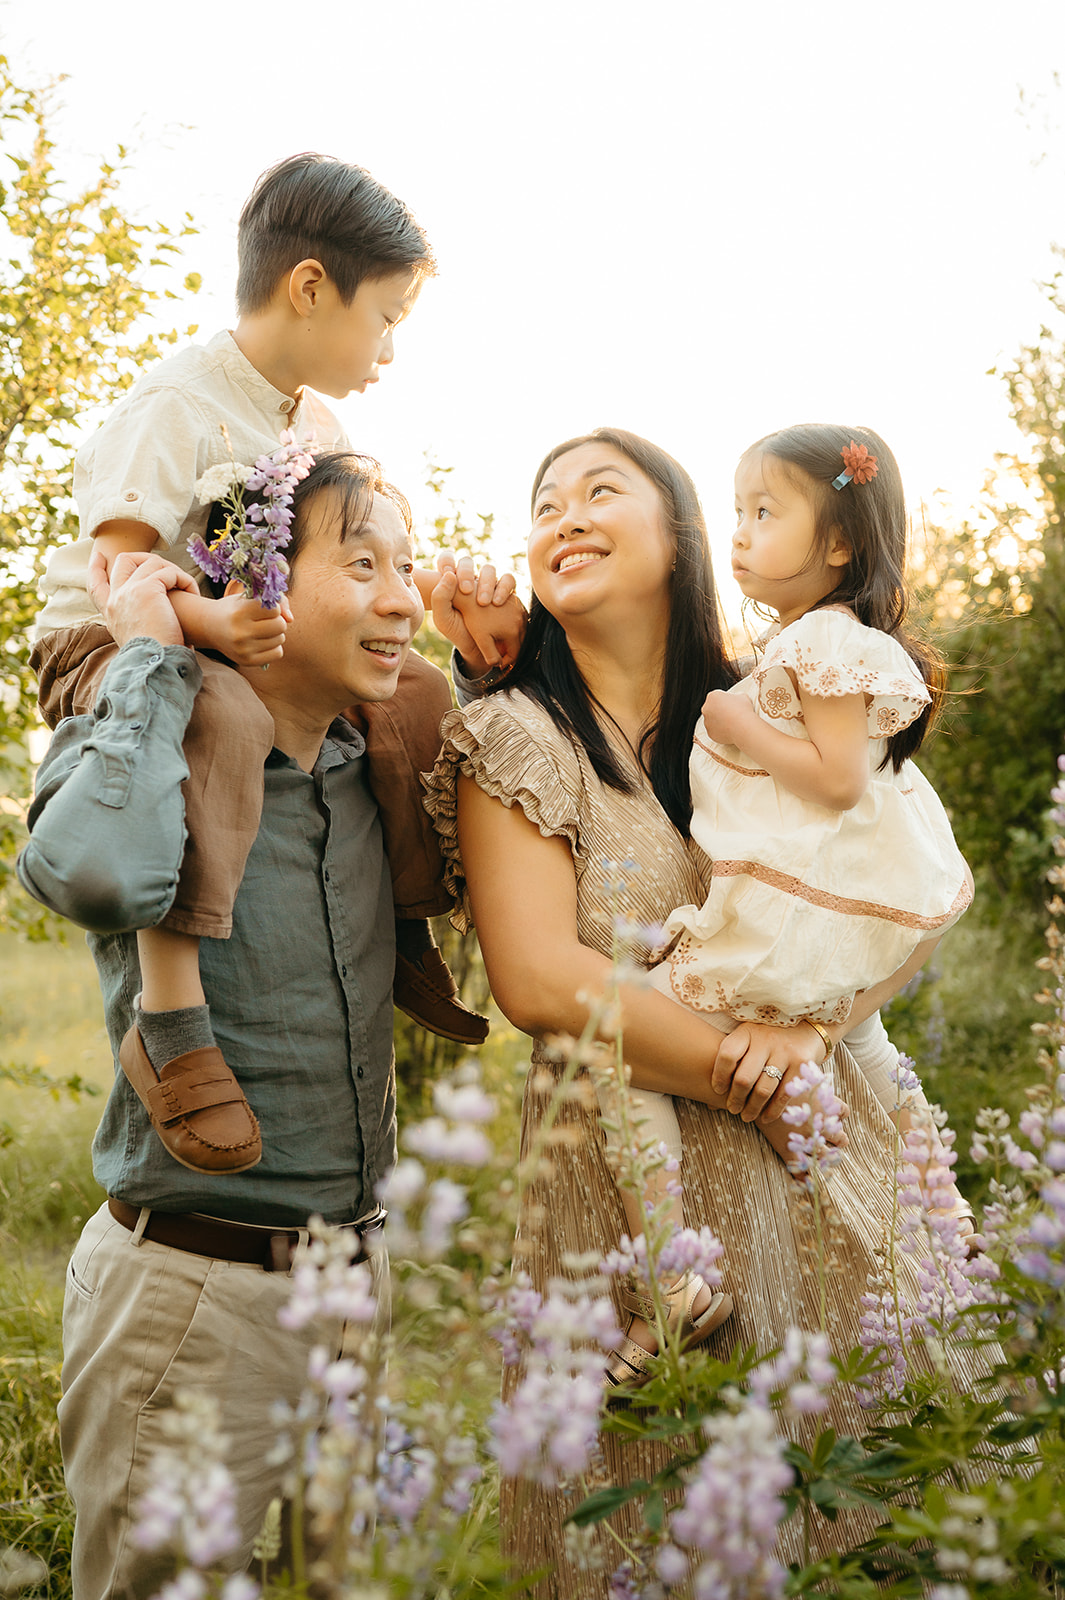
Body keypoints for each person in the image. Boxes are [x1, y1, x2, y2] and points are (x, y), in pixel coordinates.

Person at [423, 427, 957, 1592]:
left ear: (680, 537)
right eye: (544, 499)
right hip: (631, 1202)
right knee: (653, 1518)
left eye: (599, 490)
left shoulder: (767, 707)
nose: (562, 512)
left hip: (830, 1152)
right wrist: (751, 1073)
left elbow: (904, 894)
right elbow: (539, 979)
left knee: (864, 1505)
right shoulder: (514, 733)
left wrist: (810, 1034)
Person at [17, 451, 478, 1598]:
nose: (398, 597)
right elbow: (89, 876)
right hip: (192, 1294)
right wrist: (151, 655)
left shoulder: (369, 765)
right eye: (362, 562)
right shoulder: (153, 744)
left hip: (347, 1281)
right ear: (258, 582)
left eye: (406, 568)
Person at [30, 152, 486, 1177]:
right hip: (113, 644)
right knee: (221, 718)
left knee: (413, 688)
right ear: (312, 286)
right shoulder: (176, 405)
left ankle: (406, 923)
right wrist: (215, 628)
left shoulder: (314, 422)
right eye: (388, 317)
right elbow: (121, 570)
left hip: (238, 638)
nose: (391, 349)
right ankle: (174, 1010)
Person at [581, 423, 974, 1385]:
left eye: (765, 513)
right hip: (819, 921)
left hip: (803, 918)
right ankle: (951, 1230)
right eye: (738, 514)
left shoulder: (833, 642)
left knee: (622, 1050)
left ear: (837, 544)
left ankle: (671, 1273)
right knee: (874, 1061)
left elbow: (837, 780)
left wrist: (733, 721)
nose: (742, 535)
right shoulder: (805, 642)